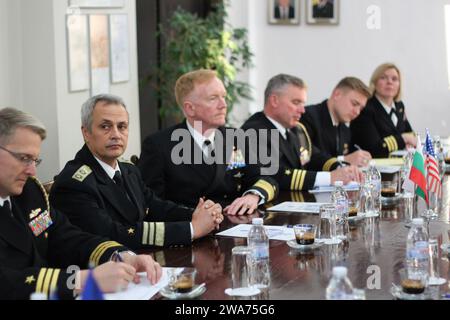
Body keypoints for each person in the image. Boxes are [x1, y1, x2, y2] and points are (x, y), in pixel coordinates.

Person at [0, 107, 162, 300]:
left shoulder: (29, 193)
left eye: (35, 160)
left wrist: (120, 255)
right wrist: (82, 279)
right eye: (24, 158)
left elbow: (65, 237)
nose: (32, 171)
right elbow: (6, 282)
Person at [50, 94, 223, 249]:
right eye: (105, 127)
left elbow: (155, 206)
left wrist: (201, 214)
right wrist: (192, 229)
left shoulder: (128, 169)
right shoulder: (74, 183)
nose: (116, 134)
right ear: (86, 133)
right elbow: (113, 234)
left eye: (122, 126)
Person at [138, 69, 278, 216]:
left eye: (224, 96)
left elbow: (267, 177)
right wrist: (197, 217)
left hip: (235, 225)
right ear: (190, 108)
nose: (223, 104)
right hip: (190, 231)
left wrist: (253, 196)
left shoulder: (236, 137)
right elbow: (151, 203)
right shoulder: (159, 145)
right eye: (213, 98)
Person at [241, 74, 364, 192]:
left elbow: (311, 157)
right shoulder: (254, 131)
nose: (302, 110)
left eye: (303, 103)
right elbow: (274, 174)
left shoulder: (296, 129)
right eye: (296, 102)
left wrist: (339, 167)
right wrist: (330, 178)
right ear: (274, 101)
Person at [300, 77, 372, 167]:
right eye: (354, 104)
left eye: (361, 108)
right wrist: (344, 160)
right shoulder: (308, 116)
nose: (357, 112)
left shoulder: (345, 129)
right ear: (337, 94)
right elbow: (305, 157)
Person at [350, 63, 416, 158]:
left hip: (397, 163)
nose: (389, 82)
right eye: (383, 78)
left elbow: (410, 134)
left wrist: (408, 141)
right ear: (374, 83)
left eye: (394, 79)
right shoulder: (366, 108)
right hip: (373, 167)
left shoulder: (399, 106)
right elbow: (375, 148)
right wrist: (404, 139)